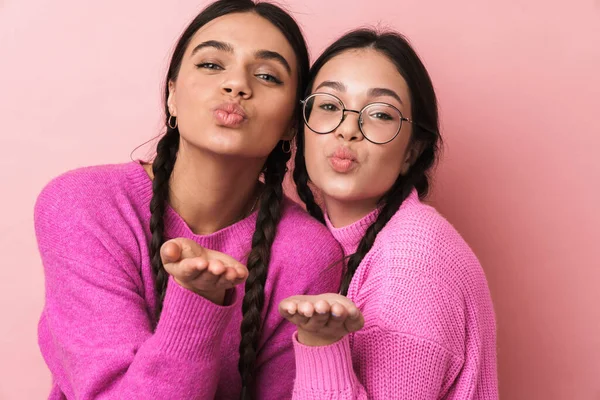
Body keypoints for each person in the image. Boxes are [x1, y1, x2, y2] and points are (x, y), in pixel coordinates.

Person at [34, 1, 342, 399]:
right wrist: (199, 300)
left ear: (289, 123)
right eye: (212, 65)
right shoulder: (83, 207)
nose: (237, 86)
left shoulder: (309, 253)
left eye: (267, 75)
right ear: (172, 96)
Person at [280, 29, 498, 399]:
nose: (348, 129)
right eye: (329, 105)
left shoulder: (412, 263)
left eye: (379, 114)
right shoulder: (332, 240)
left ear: (412, 152)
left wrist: (320, 344)